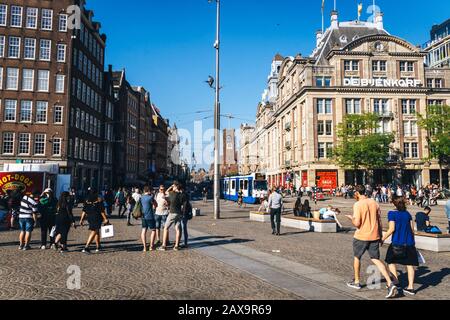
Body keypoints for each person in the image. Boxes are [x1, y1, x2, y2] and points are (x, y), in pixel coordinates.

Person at [345, 185, 398, 299]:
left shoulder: (358, 204)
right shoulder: (374, 203)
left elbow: (357, 223)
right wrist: (380, 236)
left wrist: (351, 218)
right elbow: (379, 221)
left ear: (357, 193)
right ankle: (390, 282)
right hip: (374, 235)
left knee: (357, 257)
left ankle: (357, 282)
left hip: (361, 236)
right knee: (376, 259)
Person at [381, 197, 419, 296]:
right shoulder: (408, 214)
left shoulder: (392, 214)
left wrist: (383, 238)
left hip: (397, 242)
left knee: (390, 261)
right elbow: (412, 230)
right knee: (410, 264)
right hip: (409, 243)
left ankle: (396, 282)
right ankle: (410, 287)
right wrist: (413, 242)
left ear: (394, 204)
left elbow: (391, 229)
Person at [79, 189, 109, 254]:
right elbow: (102, 211)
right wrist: (105, 219)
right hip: (97, 218)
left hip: (90, 218)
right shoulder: (99, 200)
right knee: (94, 231)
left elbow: (84, 211)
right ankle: (86, 247)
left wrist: (81, 220)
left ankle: (98, 246)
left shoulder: (87, 201)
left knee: (97, 231)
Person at [158, 182, 185, 251]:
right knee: (178, 229)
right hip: (179, 213)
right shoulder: (182, 195)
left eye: (174, 186)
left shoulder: (172, 194)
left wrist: (171, 186)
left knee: (166, 228)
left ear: (175, 187)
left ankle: (164, 245)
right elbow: (183, 205)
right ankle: (176, 246)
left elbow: (165, 193)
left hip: (172, 213)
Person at [140, 186, 157, 252]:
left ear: (144, 191)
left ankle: (144, 247)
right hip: (150, 216)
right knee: (153, 230)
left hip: (143, 216)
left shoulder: (141, 197)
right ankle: (151, 246)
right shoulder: (150, 197)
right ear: (149, 191)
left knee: (144, 230)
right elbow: (156, 205)